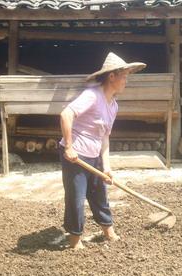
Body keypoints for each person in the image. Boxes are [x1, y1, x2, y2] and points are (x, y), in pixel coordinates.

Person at [59, 52, 146, 250]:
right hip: (76, 155)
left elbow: (104, 136)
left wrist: (106, 167)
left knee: (99, 194)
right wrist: (69, 147)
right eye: (124, 76)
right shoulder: (92, 95)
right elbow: (66, 114)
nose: (126, 81)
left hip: (95, 154)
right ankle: (75, 239)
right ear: (111, 76)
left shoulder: (113, 105)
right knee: (76, 197)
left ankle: (108, 231)